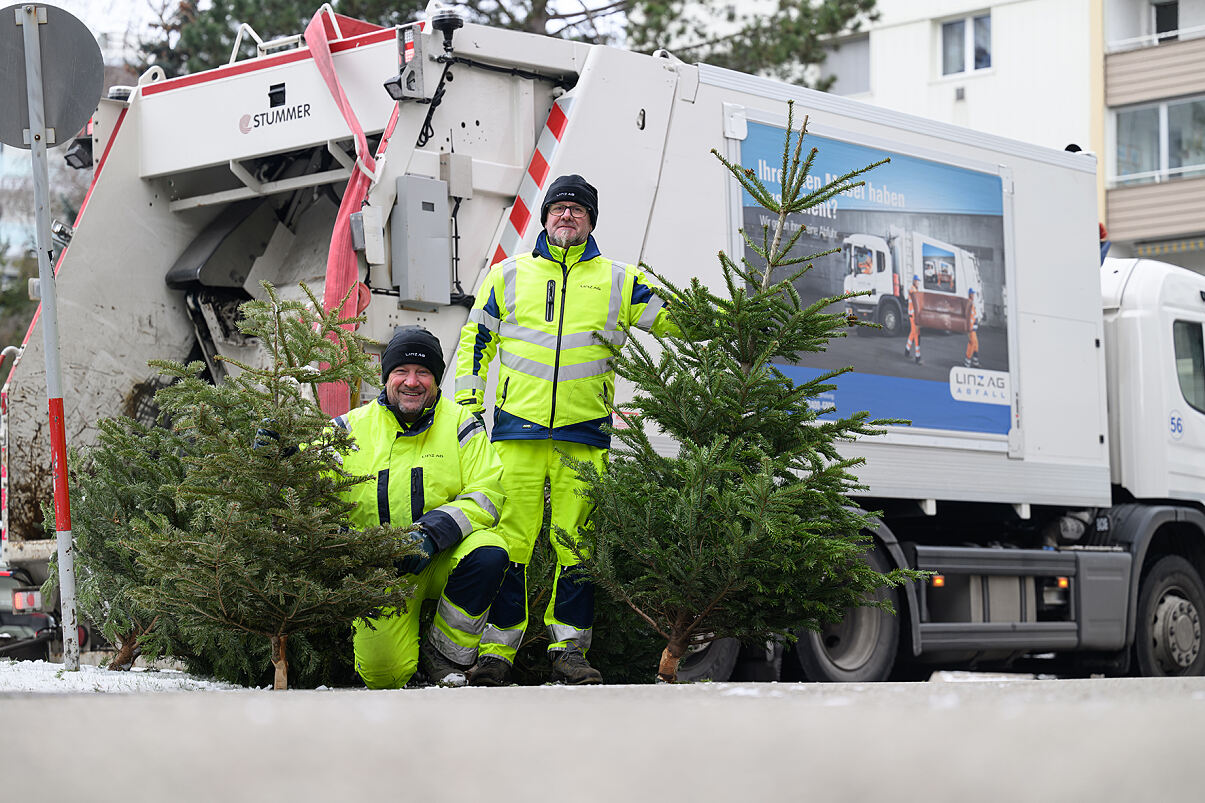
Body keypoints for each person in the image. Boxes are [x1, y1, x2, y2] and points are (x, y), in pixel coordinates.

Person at [454, 174, 678, 685]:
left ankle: (569, 653)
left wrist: (732, 320)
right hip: (516, 432)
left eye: (578, 209)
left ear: (591, 221)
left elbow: (677, 320)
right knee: (510, 544)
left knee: (577, 546)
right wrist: (469, 404)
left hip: (585, 435)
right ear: (544, 216)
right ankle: (496, 655)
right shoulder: (508, 276)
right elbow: (475, 341)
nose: (567, 215)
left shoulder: (621, 280)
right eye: (559, 208)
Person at [337, 326, 509, 689]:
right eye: (401, 371)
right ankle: (399, 657)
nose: (411, 382)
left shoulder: (461, 423)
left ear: (435, 379)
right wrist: (278, 448)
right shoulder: (350, 428)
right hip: (380, 572)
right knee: (385, 676)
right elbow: (305, 471)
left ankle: (445, 655)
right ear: (386, 378)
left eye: (423, 372)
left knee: (490, 551)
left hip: (442, 556)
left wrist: (431, 535)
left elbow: (488, 492)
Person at [905, 274, 921, 365]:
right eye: (917, 281)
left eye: (919, 281)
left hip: (914, 315)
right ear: (914, 281)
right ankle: (918, 357)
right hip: (913, 315)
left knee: (913, 332)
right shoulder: (912, 289)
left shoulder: (915, 290)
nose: (918, 282)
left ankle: (907, 350)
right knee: (916, 335)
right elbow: (913, 295)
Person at [964, 287, 980, 368]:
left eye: (974, 293)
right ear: (970, 294)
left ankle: (975, 361)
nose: (973, 295)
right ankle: (967, 362)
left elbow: (973, 315)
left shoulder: (972, 303)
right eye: (972, 293)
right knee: (972, 343)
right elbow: (969, 317)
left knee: (976, 344)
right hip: (971, 328)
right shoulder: (969, 303)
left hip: (973, 328)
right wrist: (970, 327)